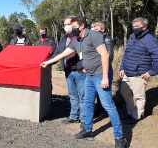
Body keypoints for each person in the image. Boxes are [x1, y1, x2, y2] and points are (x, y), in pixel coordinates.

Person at [41, 16, 127, 148]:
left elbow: (105, 55)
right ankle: (88, 130)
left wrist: (105, 77)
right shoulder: (77, 40)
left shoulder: (94, 35)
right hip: (89, 76)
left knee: (108, 105)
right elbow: (64, 53)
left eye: (74, 26)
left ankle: (120, 137)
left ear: (82, 26)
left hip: (100, 76)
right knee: (88, 103)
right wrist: (48, 62)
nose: (71, 28)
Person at [120, 17, 158, 124]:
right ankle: (131, 111)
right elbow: (126, 54)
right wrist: (122, 67)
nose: (134, 28)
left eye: (137, 26)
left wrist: (151, 72)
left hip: (139, 73)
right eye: (133, 26)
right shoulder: (132, 37)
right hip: (127, 72)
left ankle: (137, 116)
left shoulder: (150, 39)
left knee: (139, 96)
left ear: (145, 27)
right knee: (125, 92)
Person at [51, 16, 86, 129]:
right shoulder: (63, 38)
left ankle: (84, 118)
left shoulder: (80, 37)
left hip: (80, 70)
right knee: (72, 95)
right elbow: (58, 52)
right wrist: (48, 62)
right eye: (64, 24)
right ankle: (73, 116)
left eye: (68, 24)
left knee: (83, 95)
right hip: (68, 70)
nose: (66, 27)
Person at [93, 21, 114, 118]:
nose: (94, 31)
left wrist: (102, 67)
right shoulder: (96, 39)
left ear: (102, 29)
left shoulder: (107, 39)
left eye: (96, 29)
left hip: (105, 70)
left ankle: (105, 112)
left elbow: (109, 56)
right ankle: (99, 109)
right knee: (98, 93)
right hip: (96, 70)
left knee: (105, 93)